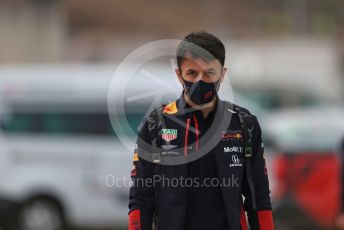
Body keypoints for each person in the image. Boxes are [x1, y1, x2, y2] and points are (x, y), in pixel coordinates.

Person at [128, 31, 274, 230]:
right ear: (179, 75)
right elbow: (140, 200)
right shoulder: (155, 124)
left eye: (209, 73)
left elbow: (259, 199)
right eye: (192, 73)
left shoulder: (243, 123)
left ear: (223, 74)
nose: (200, 81)